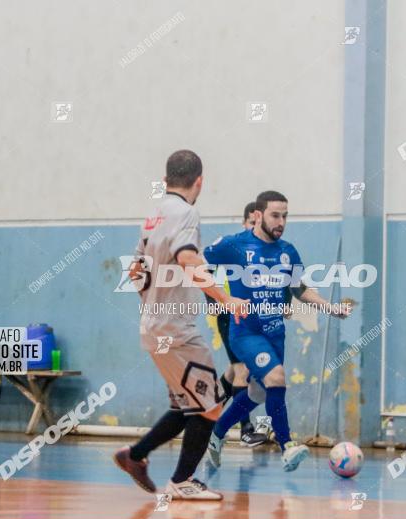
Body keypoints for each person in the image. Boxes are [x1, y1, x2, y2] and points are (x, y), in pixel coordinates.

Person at [113, 150, 248, 501]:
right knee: (211, 406)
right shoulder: (187, 213)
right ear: (199, 181)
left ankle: (135, 455)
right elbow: (188, 258)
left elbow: (135, 272)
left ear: (165, 180)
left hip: (153, 326)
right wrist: (226, 299)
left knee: (187, 405)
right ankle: (182, 481)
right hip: (176, 330)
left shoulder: (153, 216)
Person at [204, 190, 350, 472]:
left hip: (275, 333)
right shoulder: (234, 245)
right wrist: (219, 299)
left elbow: (299, 289)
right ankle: (287, 445)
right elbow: (199, 265)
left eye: (285, 215)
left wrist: (329, 307)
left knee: (258, 393)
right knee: (276, 377)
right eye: (275, 215)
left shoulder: (287, 251)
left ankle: (216, 434)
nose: (281, 221)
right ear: (258, 215)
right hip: (245, 333)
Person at [214, 202, 271, 447]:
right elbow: (204, 272)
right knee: (243, 371)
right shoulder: (230, 247)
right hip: (231, 316)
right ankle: (245, 430)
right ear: (244, 223)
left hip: (253, 319)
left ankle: (206, 411)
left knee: (233, 371)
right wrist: (217, 303)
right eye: (251, 222)